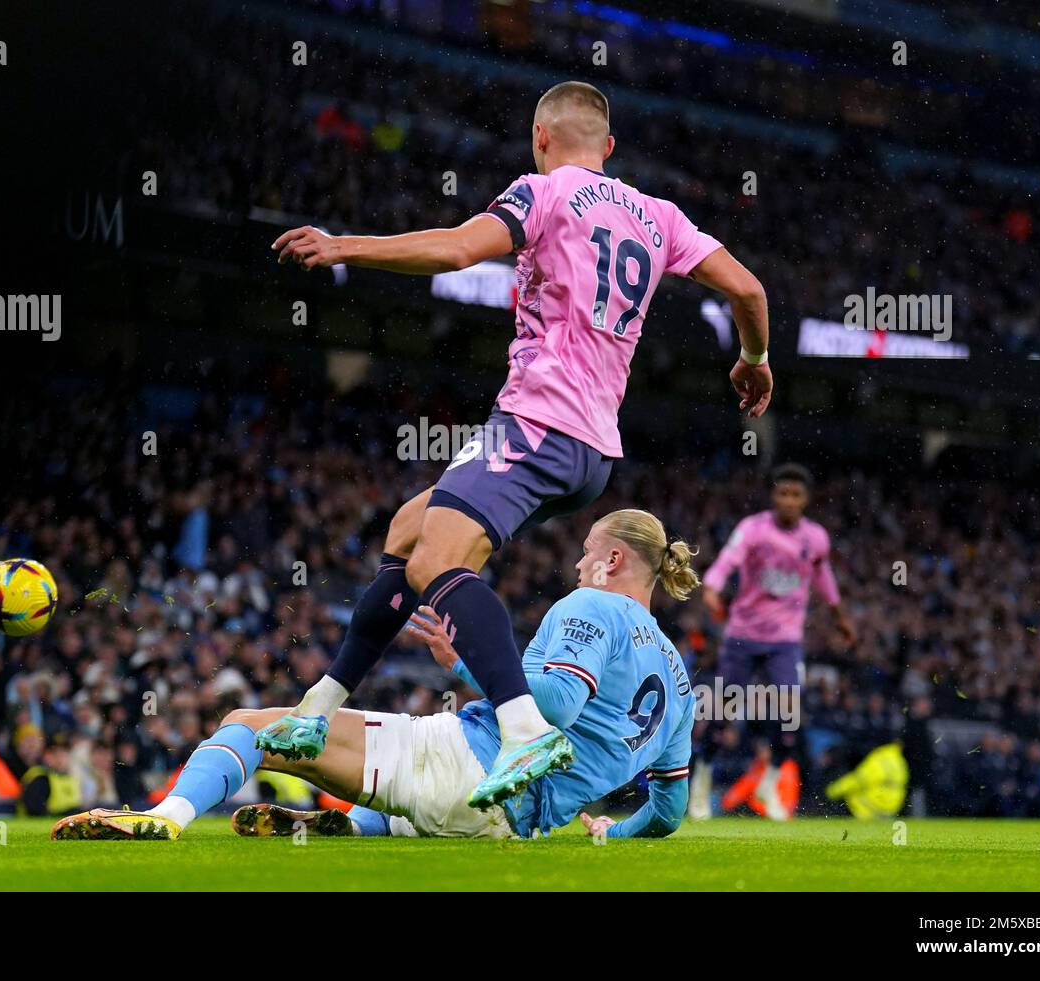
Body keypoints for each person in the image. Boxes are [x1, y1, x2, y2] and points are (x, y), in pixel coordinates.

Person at [261, 79, 771, 809]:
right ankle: (320, 703)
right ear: (610, 148)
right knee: (411, 531)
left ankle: (523, 725)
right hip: (592, 449)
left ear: (540, 139)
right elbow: (749, 292)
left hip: (536, 423)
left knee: (438, 557)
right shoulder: (661, 217)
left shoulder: (544, 192)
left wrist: (345, 246)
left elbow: (458, 249)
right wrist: (753, 360)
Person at [50, 510, 699, 841]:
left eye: (588, 553)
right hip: (511, 822)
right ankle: (352, 823)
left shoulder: (592, 606)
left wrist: (471, 665)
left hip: (468, 764)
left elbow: (554, 704)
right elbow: (667, 812)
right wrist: (614, 830)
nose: (580, 565)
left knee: (247, 724)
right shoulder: (677, 678)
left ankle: (164, 817)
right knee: (404, 805)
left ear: (614, 558)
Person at [697, 463, 855, 819]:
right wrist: (712, 588)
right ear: (773, 496)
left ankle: (769, 781)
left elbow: (823, 575)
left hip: (785, 639)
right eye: (782, 493)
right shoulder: (753, 529)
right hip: (743, 634)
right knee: (722, 710)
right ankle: (702, 776)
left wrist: (840, 617)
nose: (788, 500)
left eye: (795, 494)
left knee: (789, 712)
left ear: (806, 500)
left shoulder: (815, 538)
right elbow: (727, 561)